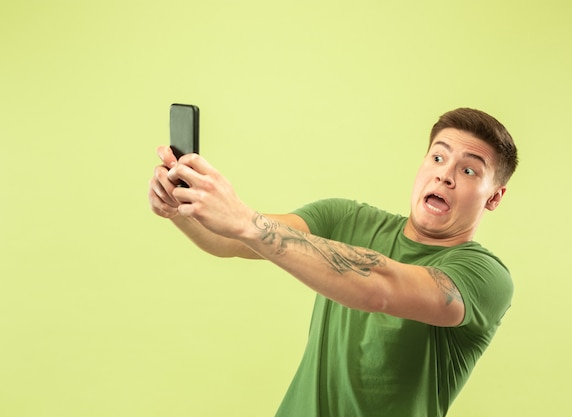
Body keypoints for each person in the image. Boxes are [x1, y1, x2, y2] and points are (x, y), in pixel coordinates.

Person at [148, 107, 519, 417]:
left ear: (494, 197)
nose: (445, 174)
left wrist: (246, 221)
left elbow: (382, 289)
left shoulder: (484, 277)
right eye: (438, 157)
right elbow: (231, 240)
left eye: (469, 170)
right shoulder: (344, 218)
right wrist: (182, 208)